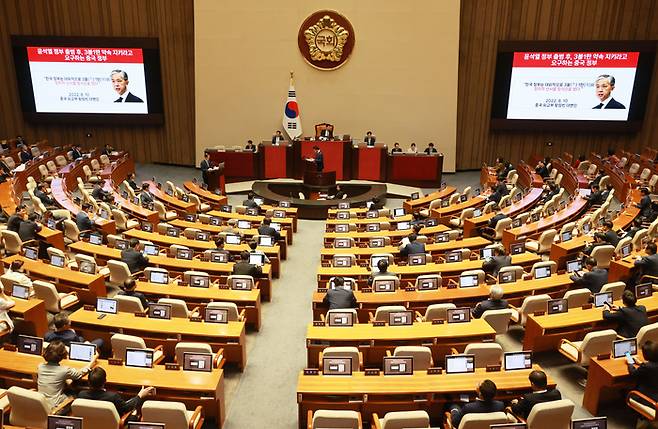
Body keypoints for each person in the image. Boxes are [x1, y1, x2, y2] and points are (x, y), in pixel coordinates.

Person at [79, 367, 155, 420]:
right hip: (113, 425)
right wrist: (140, 395)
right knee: (134, 414)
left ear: (88, 382)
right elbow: (127, 408)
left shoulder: (81, 395)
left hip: (89, 424)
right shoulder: (112, 397)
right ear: (105, 381)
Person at [38, 340, 95, 408]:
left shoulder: (40, 367)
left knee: (68, 383)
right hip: (55, 407)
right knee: (76, 392)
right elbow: (80, 373)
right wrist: (94, 358)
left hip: (40, 404)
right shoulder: (64, 370)